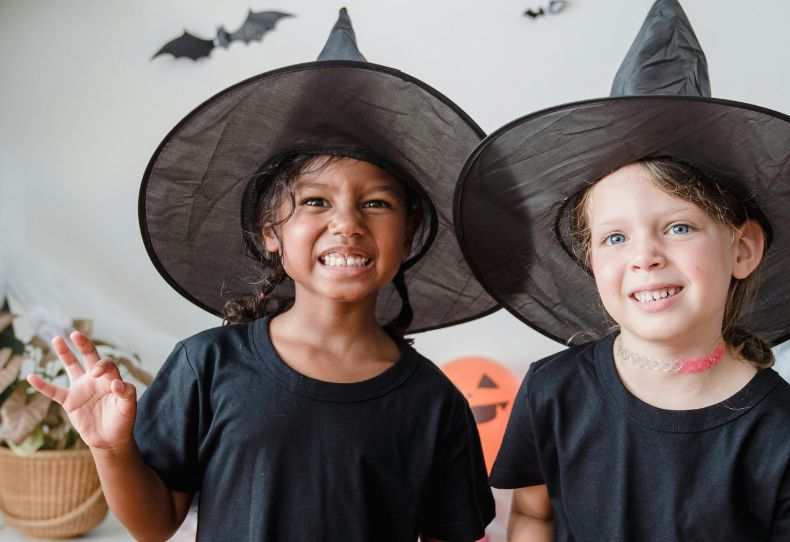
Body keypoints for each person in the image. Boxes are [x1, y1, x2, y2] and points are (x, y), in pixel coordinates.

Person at [28, 9, 496, 541]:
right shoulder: (206, 365)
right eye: (316, 201)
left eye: (377, 204)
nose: (346, 223)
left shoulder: (434, 400)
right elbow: (154, 525)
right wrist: (111, 449)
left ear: (409, 231)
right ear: (270, 230)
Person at [453, 0, 790, 540]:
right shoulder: (552, 390)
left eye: (678, 227)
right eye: (615, 236)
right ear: (591, 259)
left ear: (742, 248)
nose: (644, 256)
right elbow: (535, 513)